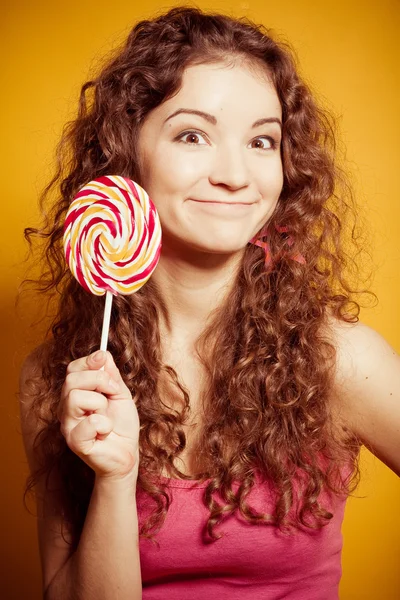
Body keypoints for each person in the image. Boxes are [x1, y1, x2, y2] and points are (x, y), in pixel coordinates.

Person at [19, 6, 399, 600]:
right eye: (192, 135)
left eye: (262, 140)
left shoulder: (339, 360)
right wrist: (115, 479)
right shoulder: (57, 381)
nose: (235, 173)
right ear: (126, 156)